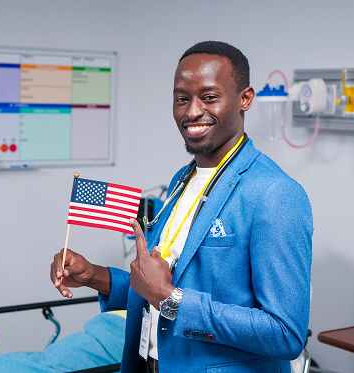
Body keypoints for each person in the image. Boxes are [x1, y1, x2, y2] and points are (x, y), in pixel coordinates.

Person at [51, 41, 313, 373]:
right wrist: (96, 277)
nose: (191, 112)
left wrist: (172, 300)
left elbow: (285, 334)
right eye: (181, 99)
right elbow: (158, 286)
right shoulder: (182, 179)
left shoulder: (274, 193)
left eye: (209, 97)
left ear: (245, 98)